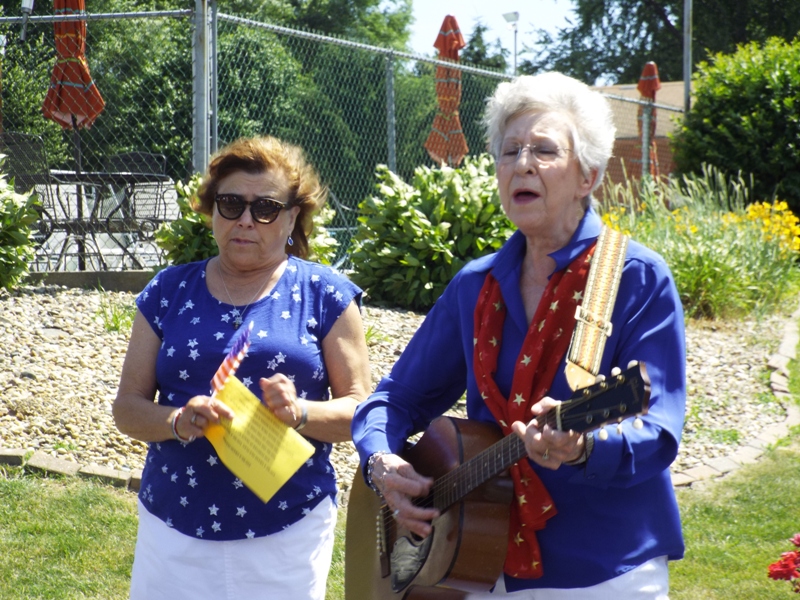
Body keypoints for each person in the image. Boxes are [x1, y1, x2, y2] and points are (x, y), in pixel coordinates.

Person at [351, 72, 686, 598]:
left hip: (605, 568)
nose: (522, 164)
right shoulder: (475, 285)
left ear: (588, 176)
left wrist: (583, 447)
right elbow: (396, 397)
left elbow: (659, 427)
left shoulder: (635, 278)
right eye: (510, 151)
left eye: (544, 150)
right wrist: (380, 460)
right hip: (479, 563)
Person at [113, 135, 371, 600]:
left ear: (292, 217)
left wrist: (301, 412)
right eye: (231, 204)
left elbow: (361, 411)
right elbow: (127, 408)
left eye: (266, 208)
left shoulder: (326, 295)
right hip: (173, 526)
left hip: (287, 529)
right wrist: (177, 420)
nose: (246, 220)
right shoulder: (168, 291)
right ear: (212, 209)